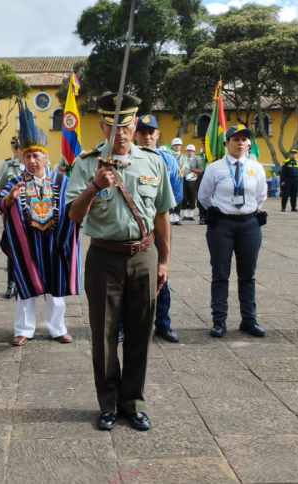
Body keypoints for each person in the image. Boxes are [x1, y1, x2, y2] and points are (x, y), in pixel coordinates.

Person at [66, 93, 175, 432]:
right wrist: (94, 187)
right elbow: (73, 214)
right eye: (113, 126)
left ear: (136, 123)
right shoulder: (86, 163)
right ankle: (108, 403)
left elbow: (161, 214)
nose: (122, 133)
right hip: (104, 257)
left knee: (142, 332)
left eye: (127, 125)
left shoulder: (153, 161)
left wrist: (164, 260)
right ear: (102, 126)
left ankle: (134, 402)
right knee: (104, 334)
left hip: (144, 255)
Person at [0, 104, 79, 346]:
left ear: (45, 157)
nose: (32, 161)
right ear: (22, 158)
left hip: (55, 242)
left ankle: (58, 328)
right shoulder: (15, 181)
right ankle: (24, 329)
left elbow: (75, 205)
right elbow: (1, 205)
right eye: (28, 156)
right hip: (27, 244)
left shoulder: (62, 181)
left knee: (56, 287)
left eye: (36, 156)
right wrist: (11, 196)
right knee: (25, 286)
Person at [198, 125, 268, 339]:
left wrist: (246, 211)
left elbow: (261, 195)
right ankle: (219, 320)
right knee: (220, 274)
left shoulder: (256, 168)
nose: (240, 143)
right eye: (235, 139)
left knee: (248, 275)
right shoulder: (215, 168)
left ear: (249, 144)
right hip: (222, 226)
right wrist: (219, 212)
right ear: (226, 143)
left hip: (249, 225)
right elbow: (204, 196)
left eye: (244, 139)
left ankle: (249, 319)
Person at [134, 114, 182, 344]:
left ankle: (163, 324)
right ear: (135, 134)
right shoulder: (127, 159)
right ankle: (125, 325)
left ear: (157, 134)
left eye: (151, 132)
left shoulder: (167, 160)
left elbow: (174, 193)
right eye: (142, 132)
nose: (147, 136)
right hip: (135, 228)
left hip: (158, 226)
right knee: (130, 282)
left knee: (161, 277)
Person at [0, 137, 24, 299]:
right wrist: (3, 211)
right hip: (12, 212)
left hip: (32, 213)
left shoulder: (38, 163)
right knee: (13, 248)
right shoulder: (8, 165)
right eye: (20, 148)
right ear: (15, 149)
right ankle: (11, 283)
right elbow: (1, 187)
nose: (23, 151)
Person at [170, 138, 188, 225]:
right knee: (169, 196)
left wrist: (179, 173)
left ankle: (176, 216)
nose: (177, 146)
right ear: (172, 146)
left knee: (179, 196)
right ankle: (170, 216)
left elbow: (184, 166)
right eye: (175, 145)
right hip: (170, 178)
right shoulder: (169, 155)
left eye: (179, 145)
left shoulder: (184, 156)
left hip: (179, 178)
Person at [181, 144, 199, 220]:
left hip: (193, 180)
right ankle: (185, 214)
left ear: (194, 152)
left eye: (191, 151)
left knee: (192, 196)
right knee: (184, 196)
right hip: (184, 178)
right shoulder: (183, 158)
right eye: (188, 151)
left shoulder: (197, 159)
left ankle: (191, 214)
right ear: (185, 151)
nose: (190, 153)